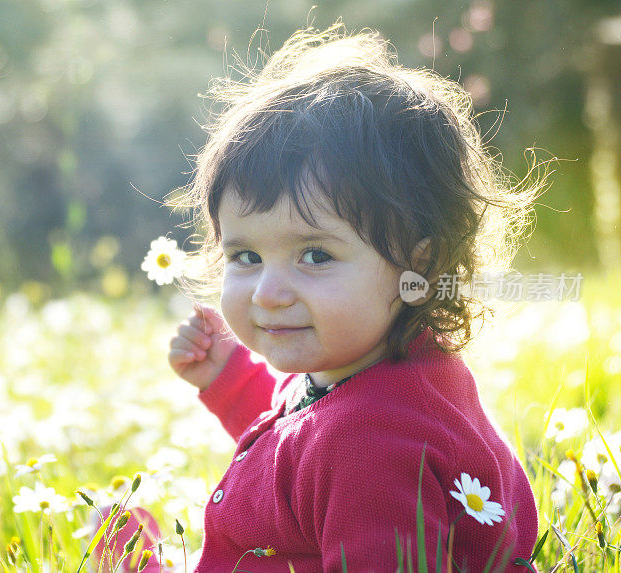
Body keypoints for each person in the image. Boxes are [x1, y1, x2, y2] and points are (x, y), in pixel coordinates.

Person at [167, 24, 540, 571]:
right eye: (245, 257)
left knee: (115, 544)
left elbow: (333, 454)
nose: (268, 294)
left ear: (419, 265)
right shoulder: (381, 374)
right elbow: (303, 446)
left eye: (315, 255)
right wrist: (228, 378)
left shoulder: (371, 447)